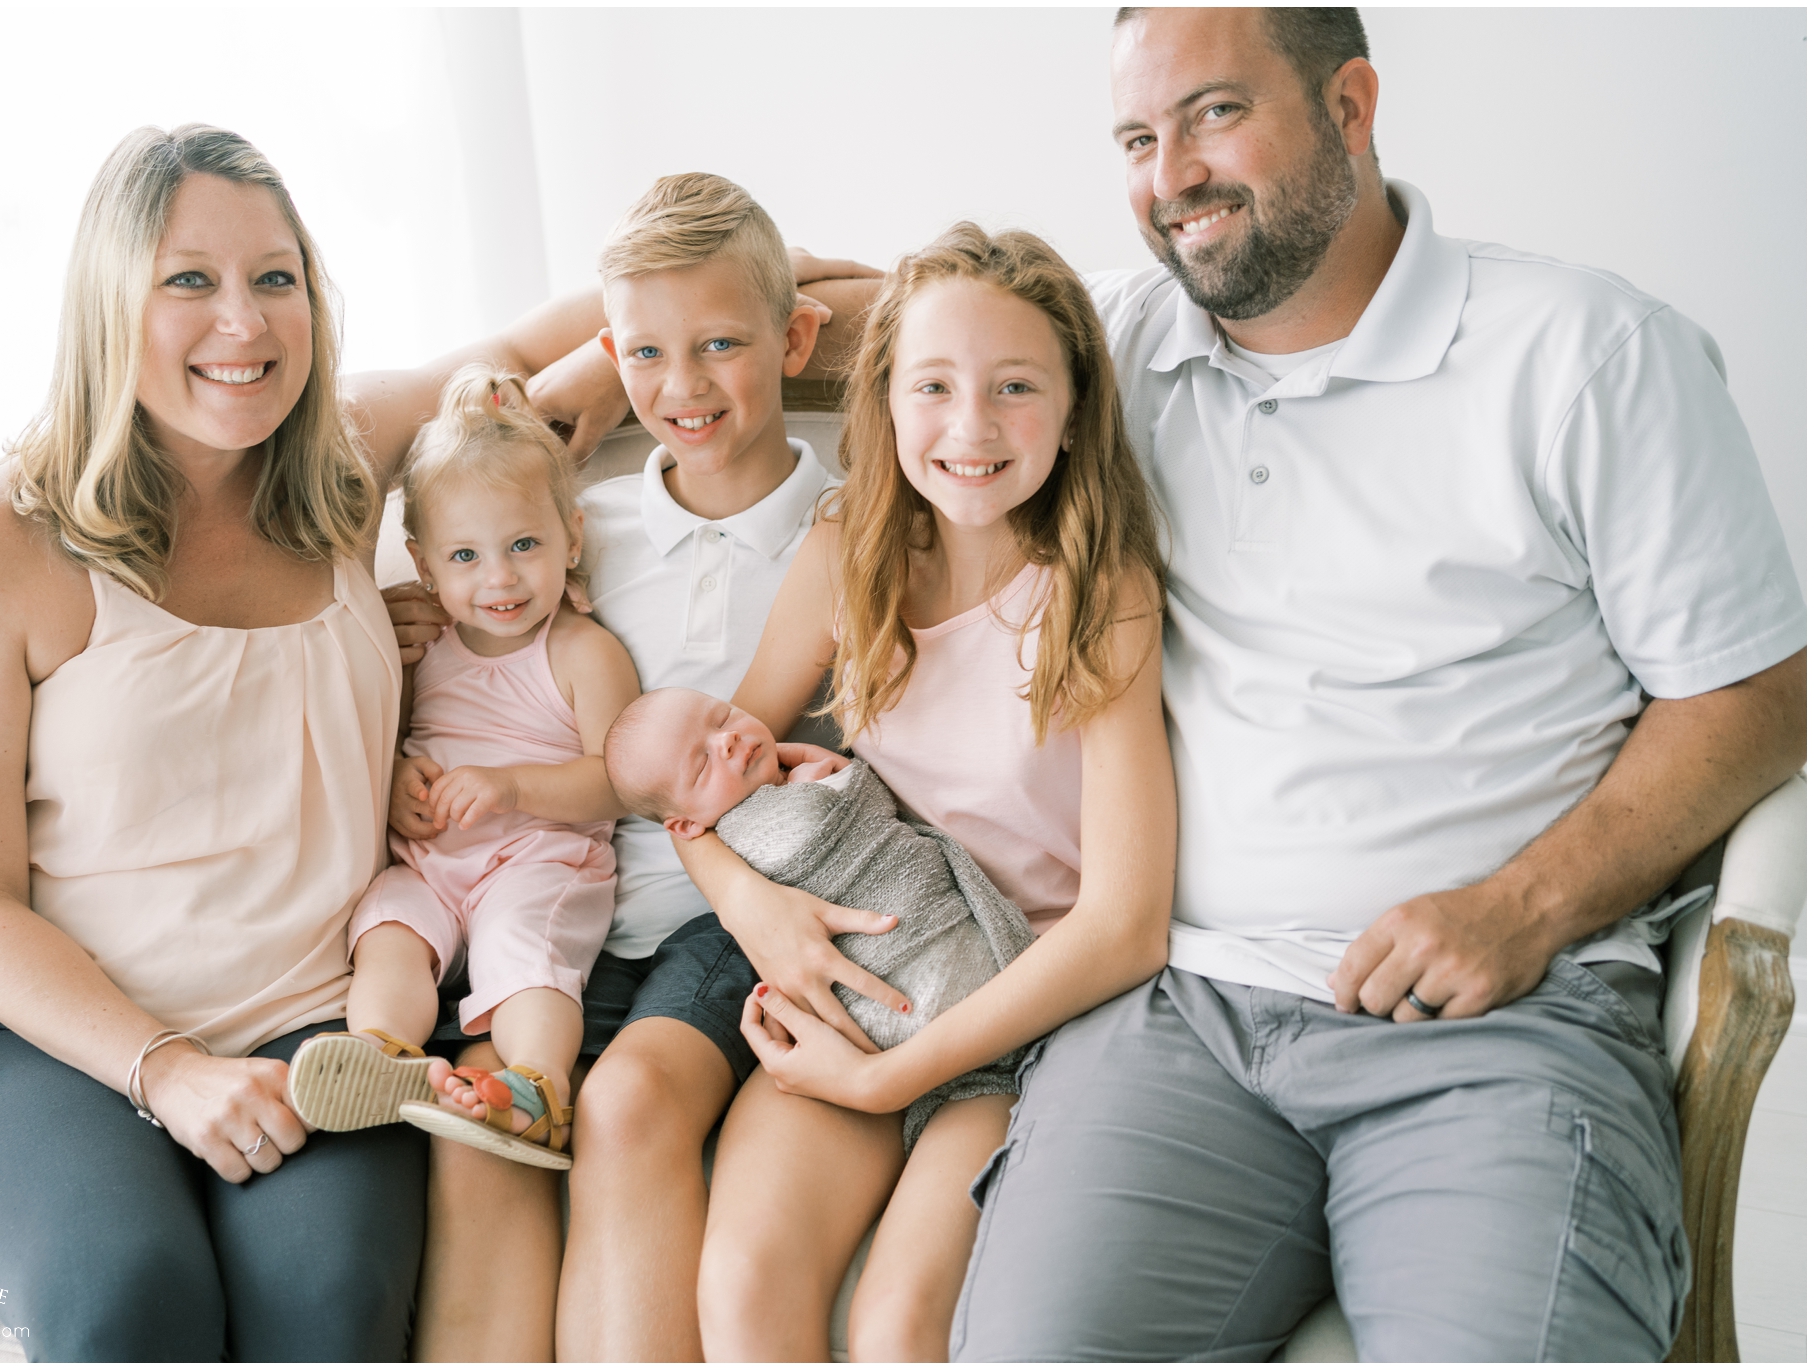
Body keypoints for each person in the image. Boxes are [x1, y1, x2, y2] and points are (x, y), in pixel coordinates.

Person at [932, 9, 1804, 1360]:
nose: (1173, 177)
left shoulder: (1587, 352)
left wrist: (1521, 908)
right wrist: (545, 375)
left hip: (1503, 1022)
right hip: (1182, 1020)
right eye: (1137, 138)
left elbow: (1757, 695)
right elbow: (823, 317)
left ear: (1351, 104)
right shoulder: (1113, 346)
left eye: (1216, 114)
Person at [0, 123, 622, 1361]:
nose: (245, 322)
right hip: (47, 1039)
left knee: (326, 1312)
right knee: (127, 1303)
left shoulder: (339, 464)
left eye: (276, 278)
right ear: (109, 300)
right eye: (190, 280)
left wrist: (643, 346)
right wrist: (164, 1068)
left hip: (316, 1027)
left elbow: (540, 336)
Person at [391, 173, 891, 1362]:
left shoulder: (852, 528)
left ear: (795, 338)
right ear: (616, 352)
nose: (685, 386)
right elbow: (485, 606)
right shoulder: (578, 526)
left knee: (623, 1102)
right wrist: (419, 614)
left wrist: (591, 367)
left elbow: (939, 301)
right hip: (563, 894)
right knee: (475, 1128)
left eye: (723, 343)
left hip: (731, 913)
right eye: (649, 355)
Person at [667, 224, 1176, 1361]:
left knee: (900, 1323)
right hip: (875, 971)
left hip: (1026, 1013)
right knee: (747, 1287)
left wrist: (884, 1077)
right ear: (885, 400)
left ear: (1073, 404)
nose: (970, 428)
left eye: (1013, 388)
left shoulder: (1100, 593)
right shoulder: (848, 550)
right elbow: (698, 777)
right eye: (932, 386)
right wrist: (752, 905)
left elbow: (1123, 925)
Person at [285, 364, 639, 1171]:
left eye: (524, 546)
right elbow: (392, 743)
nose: (500, 578)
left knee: (522, 946)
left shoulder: (583, 651)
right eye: (467, 556)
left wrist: (513, 786)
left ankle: (537, 1089)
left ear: (571, 538)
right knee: (389, 924)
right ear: (422, 564)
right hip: (435, 859)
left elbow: (620, 780)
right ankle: (380, 1052)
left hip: (542, 858)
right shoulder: (420, 650)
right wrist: (395, 794)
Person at [603, 686, 1038, 1152]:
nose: (726, 740)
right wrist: (826, 786)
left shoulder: (794, 777)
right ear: (688, 827)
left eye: (724, 716)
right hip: (899, 992)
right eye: (702, 764)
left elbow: (879, 818)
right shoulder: (752, 827)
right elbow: (810, 832)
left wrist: (830, 775)